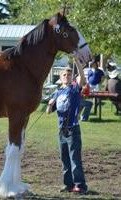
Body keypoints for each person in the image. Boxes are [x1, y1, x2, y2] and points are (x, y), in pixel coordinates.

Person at [46, 65, 88, 194]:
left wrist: (77, 63)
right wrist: (50, 104)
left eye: (69, 75)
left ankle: (80, 186)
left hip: (73, 129)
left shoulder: (74, 89)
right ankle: (68, 184)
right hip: (61, 130)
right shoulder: (57, 92)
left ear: (72, 78)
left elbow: (82, 78)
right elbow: (48, 112)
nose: (66, 77)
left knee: (74, 158)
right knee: (64, 158)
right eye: (64, 75)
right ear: (60, 77)